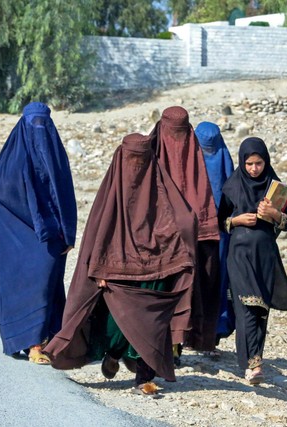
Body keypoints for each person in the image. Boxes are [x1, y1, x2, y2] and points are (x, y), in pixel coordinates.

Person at [44, 133, 197, 395]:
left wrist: (175, 253)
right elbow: (98, 234)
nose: (136, 168)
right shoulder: (111, 194)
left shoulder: (160, 187)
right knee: (117, 325)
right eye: (131, 160)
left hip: (153, 266)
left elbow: (182, 220)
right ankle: (114, 353)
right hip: (117, 270)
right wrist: (99, 269)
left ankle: (143, 378)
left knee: (151, 324)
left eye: (142, 160)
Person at [0, 102, 77, 364]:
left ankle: (49, 338)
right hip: (18, 233)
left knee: (47, 282)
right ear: (24, 125)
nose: (40, 130)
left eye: (44, 124)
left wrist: (67, 232)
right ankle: (27, 342)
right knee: (24, 284)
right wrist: (23, 218)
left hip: (51, 234)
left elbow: (64, 193)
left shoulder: (54, 152)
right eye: (34, 124)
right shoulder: (12, 156)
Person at [218, 136, 287, 385]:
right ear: (242, 162)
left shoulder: (276, 188)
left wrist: (273, 213)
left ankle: (254, 360)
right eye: (249, 164)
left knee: (261, 309)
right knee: (247, 307)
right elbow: (220, 220)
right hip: (239, 256)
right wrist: (238, 221)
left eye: (258, 163)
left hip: (265, 256)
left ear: (266, 161)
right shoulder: (231, 187)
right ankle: (254, 364)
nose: (254, 169)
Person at [149, 106, 221, 360]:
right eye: (173, 133)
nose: (177, 141)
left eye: (181, 133)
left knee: (188, 289)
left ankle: (177, 345)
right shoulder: (150, 154)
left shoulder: (197, 159)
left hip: (193, 239)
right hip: (160, 235)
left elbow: (203, 200)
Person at [195, 122, 236, 351]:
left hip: (195, 234)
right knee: (217, 280)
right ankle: (214, 331)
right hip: (220, 233)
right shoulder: (224, 158)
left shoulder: (190, 163)